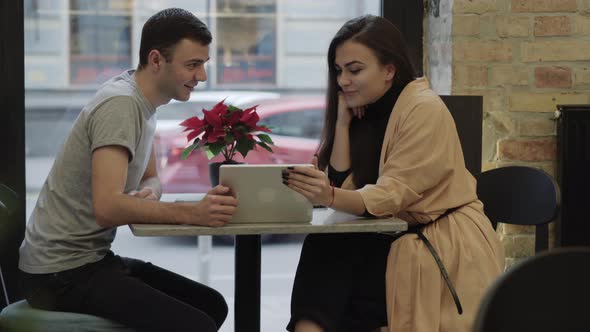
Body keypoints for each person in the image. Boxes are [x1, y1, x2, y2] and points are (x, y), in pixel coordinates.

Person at [18, 8, 238, 332]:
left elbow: (150, 177)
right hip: (59, 274)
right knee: (197, 325)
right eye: (192, 65)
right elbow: (107, 208)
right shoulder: (121, 105)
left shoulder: (146, 105)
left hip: (90, 261)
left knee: (211, 305)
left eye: (203, 64)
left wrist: (151, 193)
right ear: (156, 60)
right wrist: (194, 213)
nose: (202, 76)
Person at [283, 15, 504, 332]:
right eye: (338, 70)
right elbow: (345, 182)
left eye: (354, 70)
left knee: (331, 257)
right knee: (329, 248)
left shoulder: (423, 110)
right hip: (389, 233)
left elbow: (392, 193)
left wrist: (330, 196)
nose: (343, 80)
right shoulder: (364, 109)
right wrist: (343, 125)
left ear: (389, 70)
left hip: (436, 238)